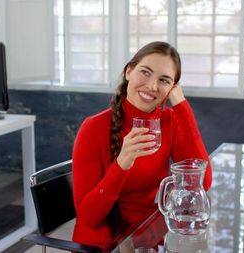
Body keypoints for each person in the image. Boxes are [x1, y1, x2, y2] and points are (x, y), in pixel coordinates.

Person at [71, 41, 212, 250]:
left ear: (172, 88)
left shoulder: (169, 120)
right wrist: (121, 165)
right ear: (129, 71)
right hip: (102, 245)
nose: (152, 86)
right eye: (145, 72)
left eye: (164, 80)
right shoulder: (93, 128)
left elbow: (201, 183)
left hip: (146, 239)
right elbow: (89, 218)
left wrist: (182, 107)